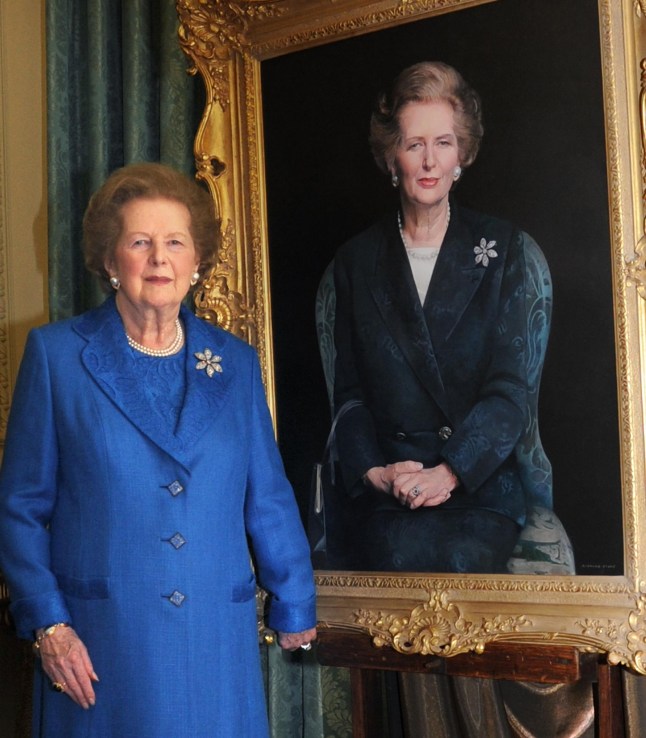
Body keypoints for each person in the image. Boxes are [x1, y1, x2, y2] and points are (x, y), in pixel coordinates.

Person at [0, 162, 316, 737]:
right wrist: (50, 625)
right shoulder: (55, 358)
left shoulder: (237, 364)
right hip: (98, 646)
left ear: (197, 262)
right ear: (109, 260)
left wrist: (294, 596)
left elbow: (266, 493)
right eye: (139, 242)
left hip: (214, 646)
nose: (158, 258)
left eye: (175, 242)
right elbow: (21, 509)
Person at [332, 61, 533, 573]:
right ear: (391, 157)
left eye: (443, 143)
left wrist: (450, 471)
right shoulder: (357, 260)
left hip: (477, 484)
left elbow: (510, 394)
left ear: (462, 153)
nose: (428, 161)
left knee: (459, 561)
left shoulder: (502, 249)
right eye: (413, 143)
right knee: (395, 556)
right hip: (390, 488)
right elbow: (349, 396)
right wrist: (376, 474)